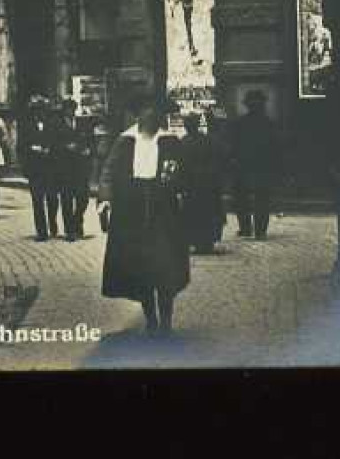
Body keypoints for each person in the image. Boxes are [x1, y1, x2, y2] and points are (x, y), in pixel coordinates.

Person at [96, 93, 190, 335]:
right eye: (145, 112)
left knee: (165, 266)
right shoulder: (125, 141)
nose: (150, 117)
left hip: (163, 210)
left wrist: (179, 188)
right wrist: (105, 200)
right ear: (137, 115)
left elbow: (183, 174)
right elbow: (108, 172)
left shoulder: (169, 142)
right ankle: (151, 319)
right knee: (142, 268)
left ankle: (167, 320)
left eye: (155, 113)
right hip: (131, 210)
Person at [231, 89, 280, 239]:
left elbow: (233, 145)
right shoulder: (269, 124)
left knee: (241, 198)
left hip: (243, 166)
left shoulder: (240, 123)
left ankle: (245, 228)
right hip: (262, 167)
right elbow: (276, 148)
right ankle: (260, 231)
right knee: (262, 199)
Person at [176, 111, 225, 254]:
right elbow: (218, 159)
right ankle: (207, 241)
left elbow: (181, 165)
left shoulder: (183, 142)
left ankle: (196, 239)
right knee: (208, 212)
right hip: (208, 182)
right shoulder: (208, 140)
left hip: (191, 184)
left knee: (193, 213)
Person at [21, 96, 60, 240]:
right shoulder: (26, 126)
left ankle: (52, 223)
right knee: (37, 200)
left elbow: (57, 143)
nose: (39, 113)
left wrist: (49, 149)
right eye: (36, 110)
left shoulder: (52, 124)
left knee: (52, 199)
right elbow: (22, 146)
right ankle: (41, 231)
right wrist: (32, 149)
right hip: (35, 168)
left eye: (42, 110)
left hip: (50, 167)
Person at [55, 100, 96, 240]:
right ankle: (70, 230)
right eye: (68, 109)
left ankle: (77, 221)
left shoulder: (81, 123)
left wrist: (88, 150)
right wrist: (65, 147)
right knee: (66, 199)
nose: (71, 112)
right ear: (64, 110)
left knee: (83, 198)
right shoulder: (57, 125)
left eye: (73, 109)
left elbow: (90, 141)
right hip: (64, 167)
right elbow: (53, 144)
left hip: (80, 166)